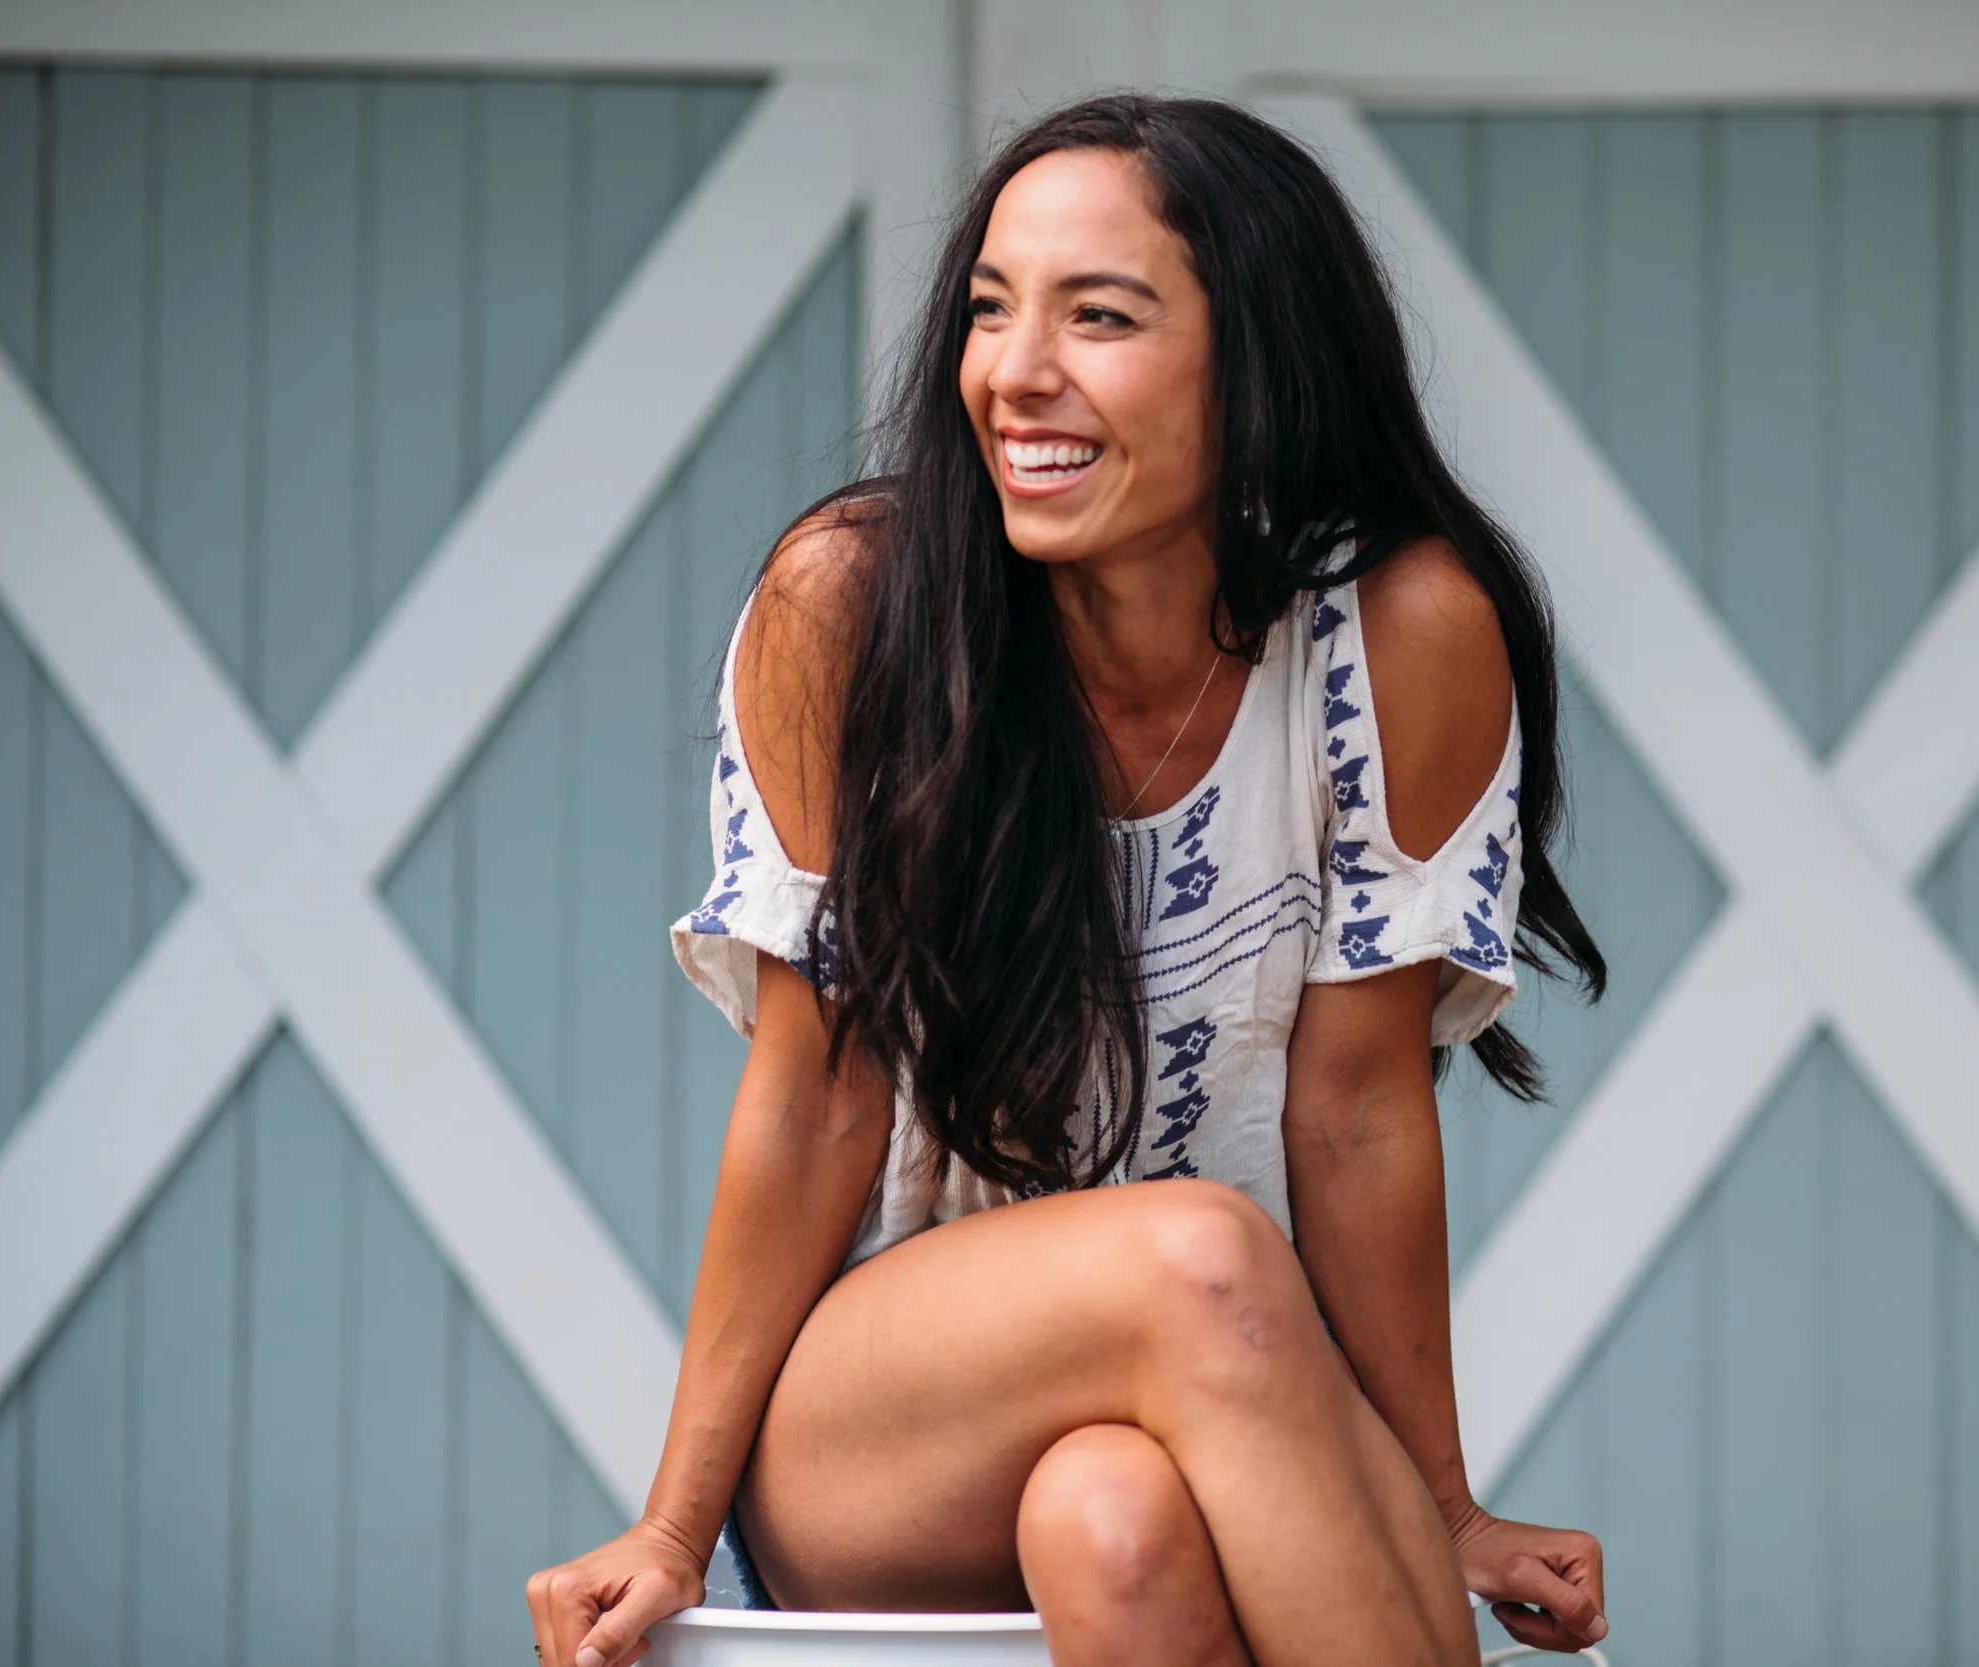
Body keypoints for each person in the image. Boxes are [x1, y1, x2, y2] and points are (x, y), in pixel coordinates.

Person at [525, 92, 1611, 1667]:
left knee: (1115, 1516)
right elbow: (816, 1093)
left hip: (1224, 1390)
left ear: (1261, 362)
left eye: (1099, 316)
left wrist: (1442, 1508)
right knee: (1202, 1250)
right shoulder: (858, 612)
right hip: (879, 1419)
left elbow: (1359, 1108)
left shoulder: (1398, 638)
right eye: (990, 308)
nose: (1015, 371)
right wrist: (674, 1528)